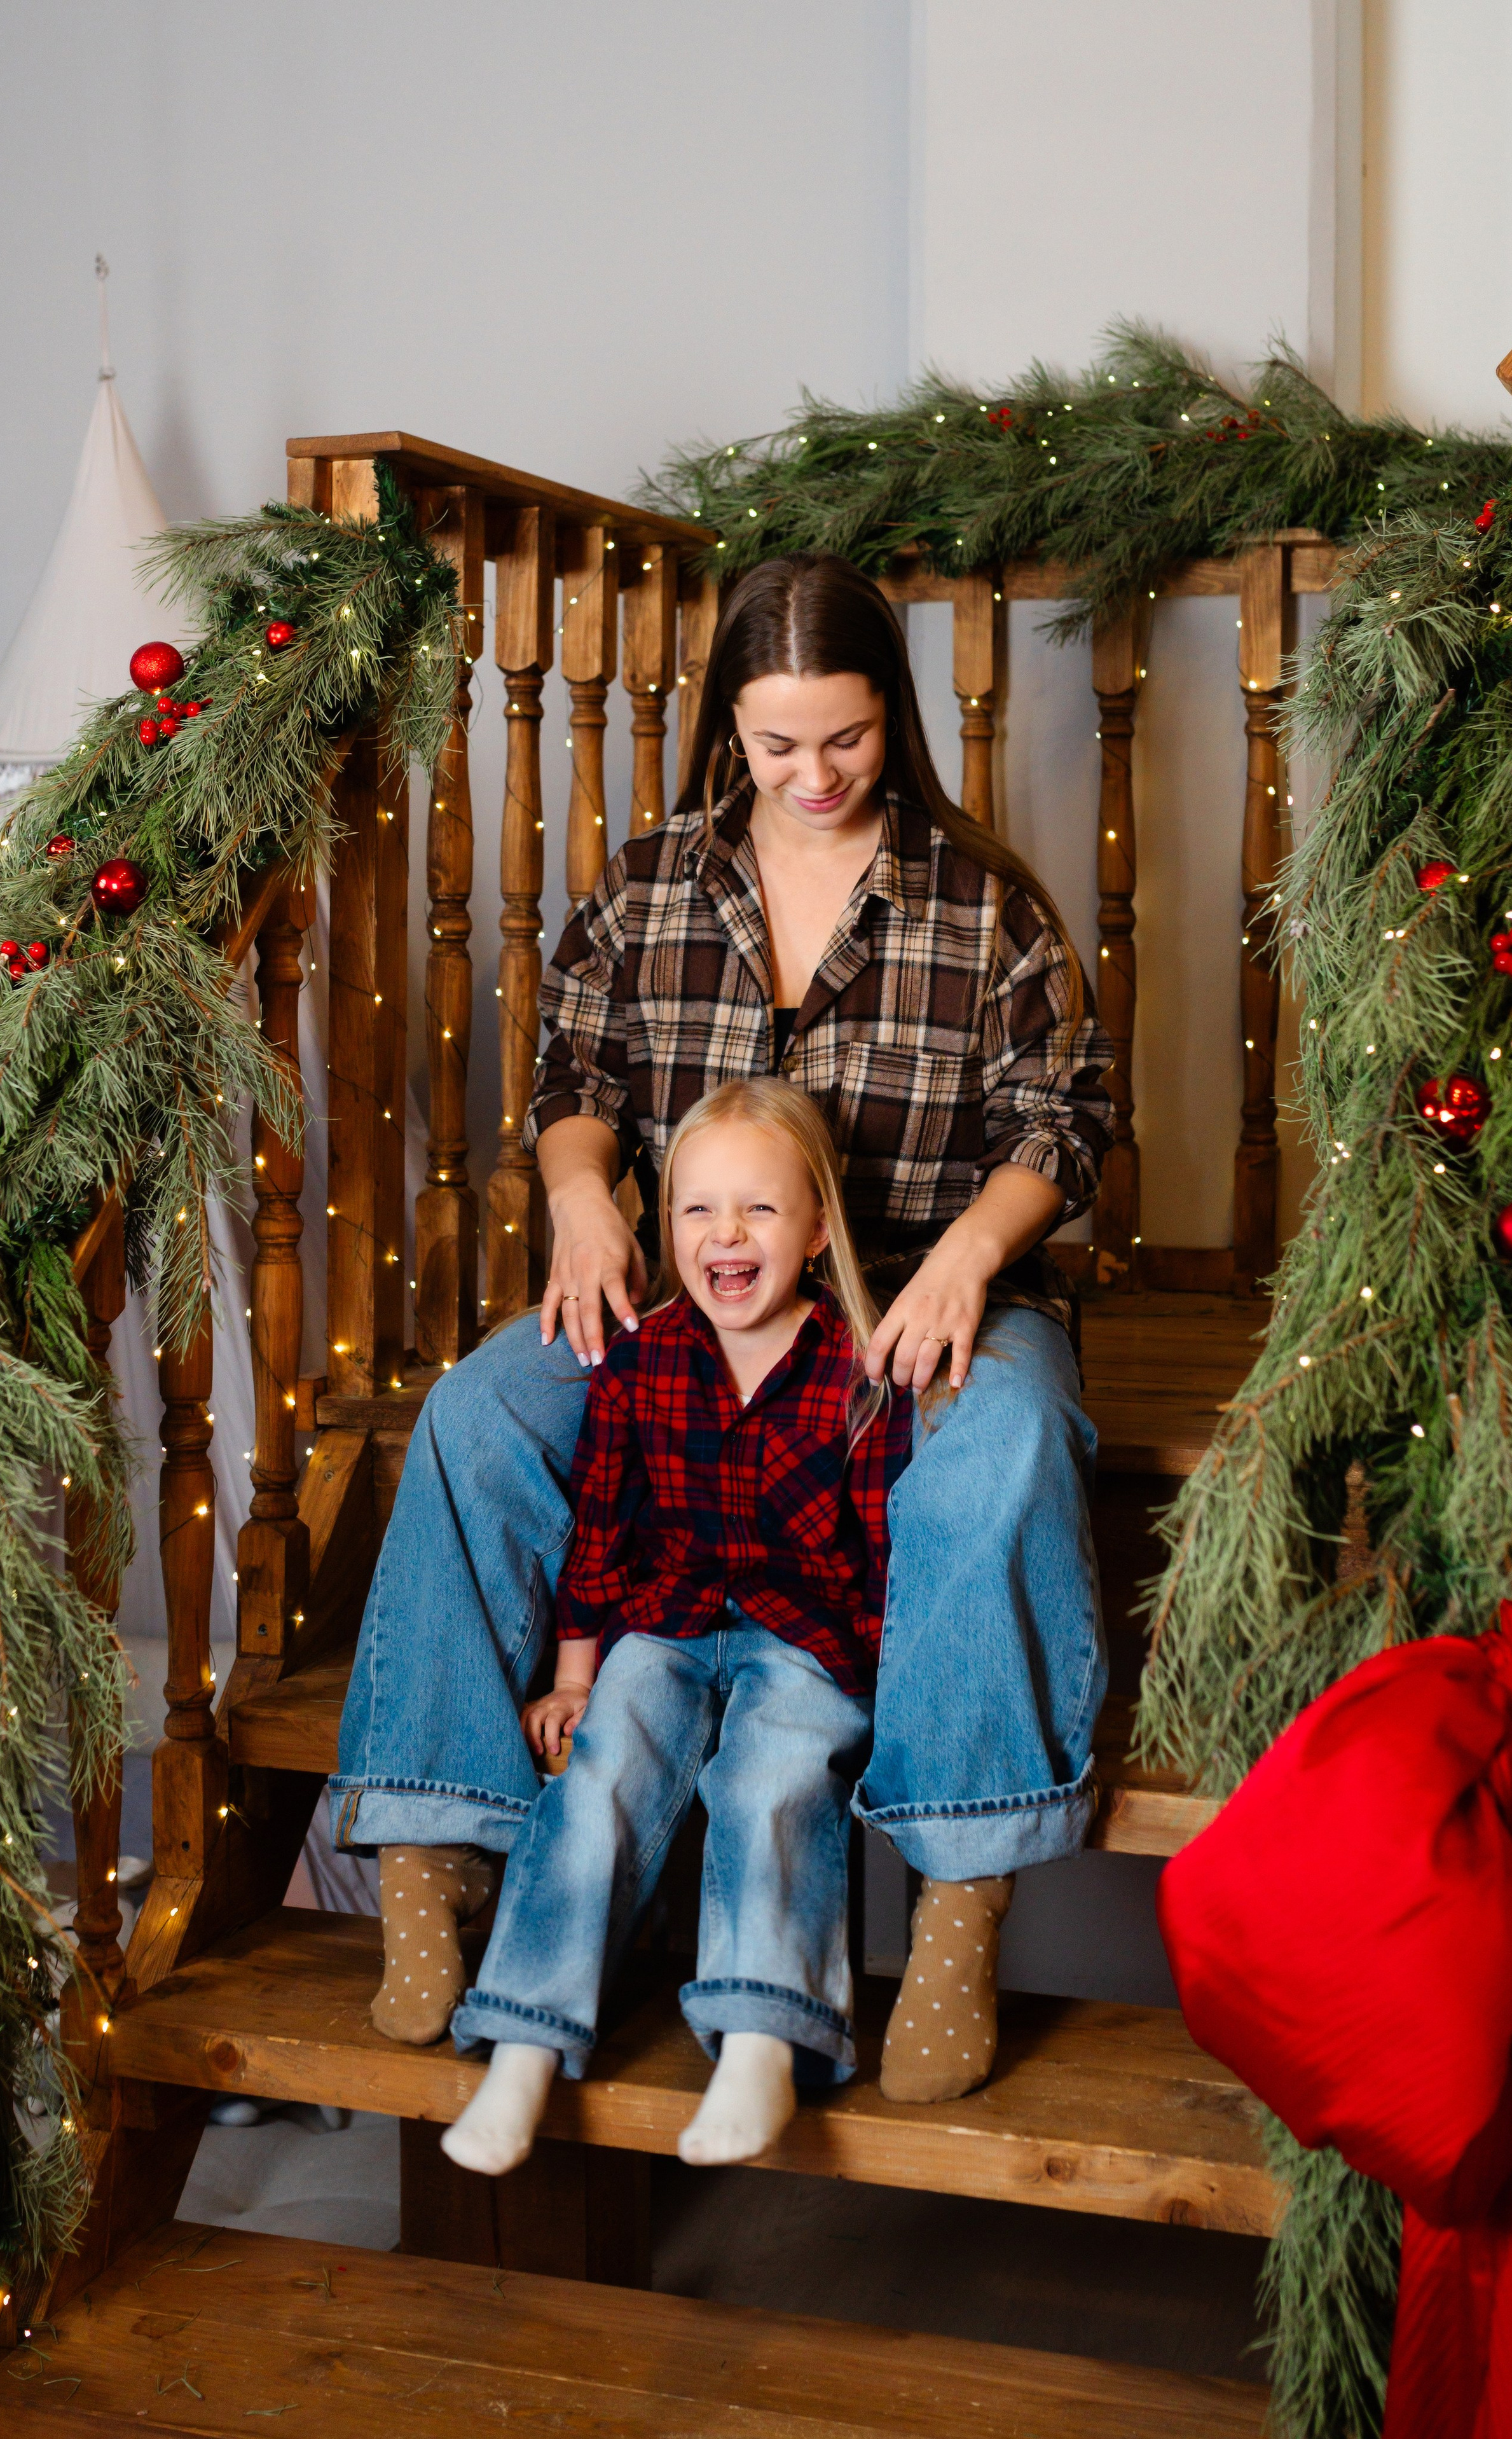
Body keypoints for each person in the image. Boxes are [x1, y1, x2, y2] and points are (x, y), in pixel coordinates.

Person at [330, 550, 1113, 2106]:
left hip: (916, 1288)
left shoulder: (984, 906)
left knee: (1003, 1437)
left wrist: (968, 1250)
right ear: (727, 733)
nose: (815, 774)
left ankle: (959, 1895)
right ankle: (433, 1845)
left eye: (847, 736)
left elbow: (1066, 1120)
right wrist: (577, 1196)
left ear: (890, 714)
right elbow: (574, 1084)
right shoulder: (646, 889)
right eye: (778, 744)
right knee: (481, 1409)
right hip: (704, 1300)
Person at [441, 1079, 905, 2175]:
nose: (726, 1236)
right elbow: (599, 1522)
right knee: (602, 1770)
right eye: (698, 1211)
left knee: (769, 1777)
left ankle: (761, 2038)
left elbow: (884, 1552)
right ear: (666, 1231)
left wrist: (887, 1682)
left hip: (806, 1636)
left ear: (816, 1226)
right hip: (668, 1618)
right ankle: (524, 2038)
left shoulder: (856, 1372)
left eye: (758, 1209)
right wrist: (572, 1673)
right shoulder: (645, 1360)